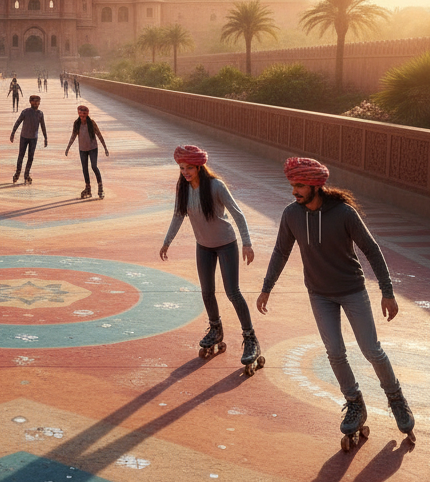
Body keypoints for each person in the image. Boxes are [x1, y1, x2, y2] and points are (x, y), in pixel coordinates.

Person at [256, 157, 415, 443]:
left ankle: (396, 399)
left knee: (372, 350)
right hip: (319, 294)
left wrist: (387, 291)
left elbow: (372, 250)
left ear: (316, 185)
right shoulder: (291, 214)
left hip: (352, 290)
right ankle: (355, 403)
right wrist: (267, 287)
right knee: (335, 352)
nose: (295, 191)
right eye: (293, 185)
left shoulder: (344, 214)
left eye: (300, 185)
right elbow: (281, 252)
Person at [160, 145, 261, 368]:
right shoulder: (184, 189)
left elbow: (238, 213)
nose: (185, 172)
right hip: (203, 246)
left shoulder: (216, 186)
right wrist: (167, 242)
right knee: (207, 292)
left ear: (199, 166)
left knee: (233, 292)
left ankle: (250, 338)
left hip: (226, 245)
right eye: (181, 168)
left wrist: (247, 243)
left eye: (189, 168)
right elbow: (178, 215)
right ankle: (215, 329)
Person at [65, 104, 109, 199]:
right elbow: (73, 136)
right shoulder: (76, 124)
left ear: (87, 115)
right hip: (82, 149)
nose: (82, 118)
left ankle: (100, 187)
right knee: (85, 168)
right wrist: (68, 147)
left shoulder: (91, 123)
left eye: (84, 116)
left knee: (94, 166)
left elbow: (99, 134)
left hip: (93, 148)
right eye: (81, 116)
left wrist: (105, 148)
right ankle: (88, 188)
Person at [10, 94, 47, 184]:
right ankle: (17, 174)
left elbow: (43, 126)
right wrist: (13, 133)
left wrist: (46, 137)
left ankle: (26, 174)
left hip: (33, 138)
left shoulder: (40, 114)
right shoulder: (25, 112)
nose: (36, 103)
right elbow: (18, 122)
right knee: (21, 156)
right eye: (34, 101)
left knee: (30, 157)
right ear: (30, 102)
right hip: (24, 137)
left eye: (37, 101)